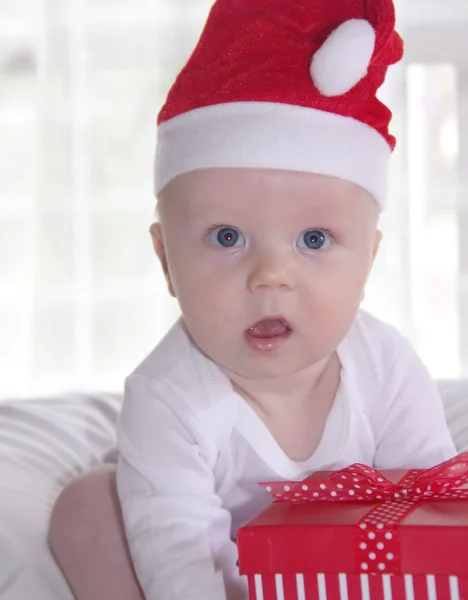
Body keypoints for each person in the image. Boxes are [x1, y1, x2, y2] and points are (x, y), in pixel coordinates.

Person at [48, 1, 457, 599]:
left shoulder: (386, 367)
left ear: (368, 261)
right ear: (166, 262)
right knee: (87, 509)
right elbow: (179, 562)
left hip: (331, 559)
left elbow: (431, 503)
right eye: (227, 237)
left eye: (314, 239)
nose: (271, 276)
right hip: (207, 555)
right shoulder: (168, 400)